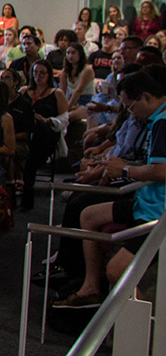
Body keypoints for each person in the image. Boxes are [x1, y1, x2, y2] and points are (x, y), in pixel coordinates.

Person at [52, 67, 166, 309]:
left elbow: (160, 171)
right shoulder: (156, 120)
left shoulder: (162, 123)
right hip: (144, 202)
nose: (132, 114)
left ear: (146, 97)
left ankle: (140, 328)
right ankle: (91, 287)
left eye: (132, 107)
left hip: (157, 214)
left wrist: (125, 170)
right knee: (89, 215)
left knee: (116, 271)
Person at [21, 60, 67, 211]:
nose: (38, 76)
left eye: (42, 73)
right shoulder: (23, 92)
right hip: (26, 134)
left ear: (49, 75)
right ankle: (26, 184)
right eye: (35, 72)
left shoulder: (57, 93)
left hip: (47, 134)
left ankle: (27, 184)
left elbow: (64, 119)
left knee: (39, 128)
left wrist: (47, 120)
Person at [61, 43, 95, 123]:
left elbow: (78, 91)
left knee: (67, 117)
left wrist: (67, 108)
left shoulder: (87, 70)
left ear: (80, 54)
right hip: (71, 100)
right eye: (68, 53)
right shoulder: (65, 71)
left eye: (73, 53)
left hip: (86, 101)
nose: (70, 56)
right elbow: (62, 91)